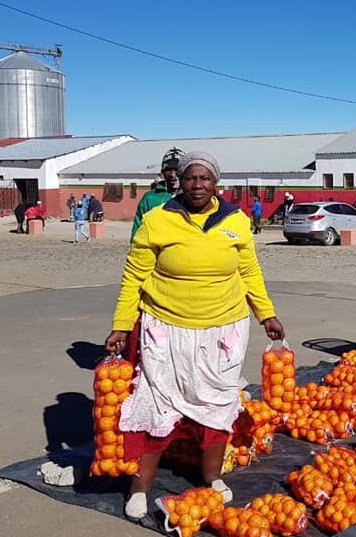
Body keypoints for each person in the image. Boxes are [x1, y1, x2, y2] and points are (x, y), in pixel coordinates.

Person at [104, 151, 285, 518]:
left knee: (216, 404)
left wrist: (266, 313)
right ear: (179, 181)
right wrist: (121, 324)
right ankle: (139, 486)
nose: (197, 185)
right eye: (190, 178)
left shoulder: (235, 220)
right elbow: (134, 277)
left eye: (205, 178)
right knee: (156, 402)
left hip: (223, 329)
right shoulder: (157, 220)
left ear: (216, 183)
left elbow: (250, 271)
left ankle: (212, 477)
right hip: (165, 328)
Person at [131, 149, 181, 241]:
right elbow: (138, 228)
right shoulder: (150, 198)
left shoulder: (192, 197)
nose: (172, 174)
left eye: (176, 169)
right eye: (168, 170)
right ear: (162, 172)